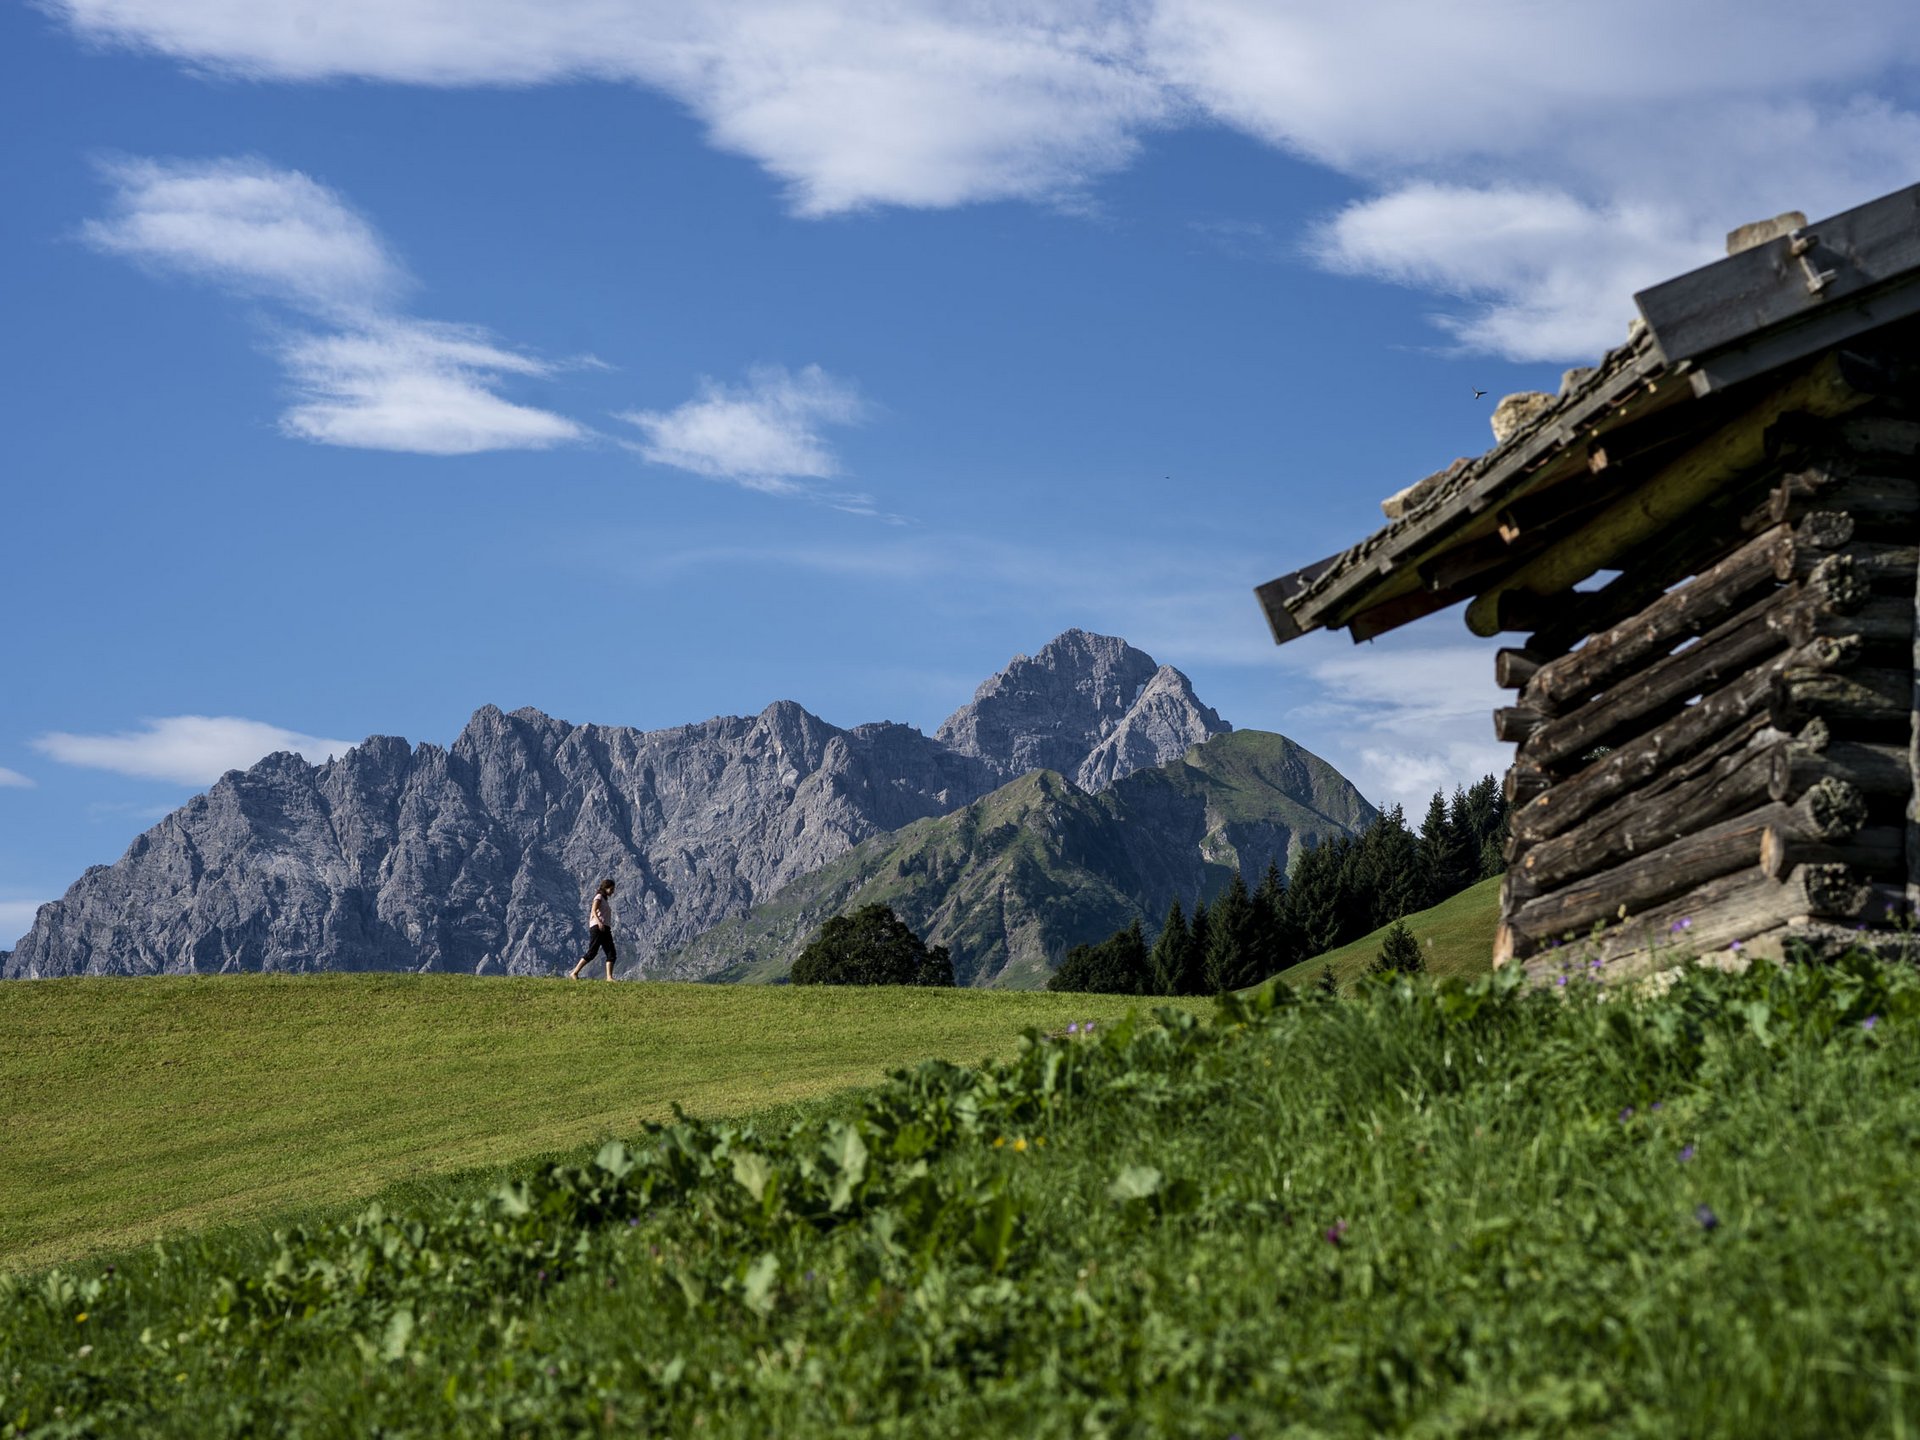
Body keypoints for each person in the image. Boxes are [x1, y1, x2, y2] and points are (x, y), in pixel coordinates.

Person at [569, 879, 618, 980]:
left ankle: (609, 977)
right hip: (598, 927)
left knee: (611, 952)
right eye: (611, 889)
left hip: (605, 927)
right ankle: (574, 972)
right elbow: (593, 910)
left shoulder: (604, 899)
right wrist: (599, 922)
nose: (612, 891)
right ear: (605, 888)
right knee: (592, 952)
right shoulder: (599, 897)